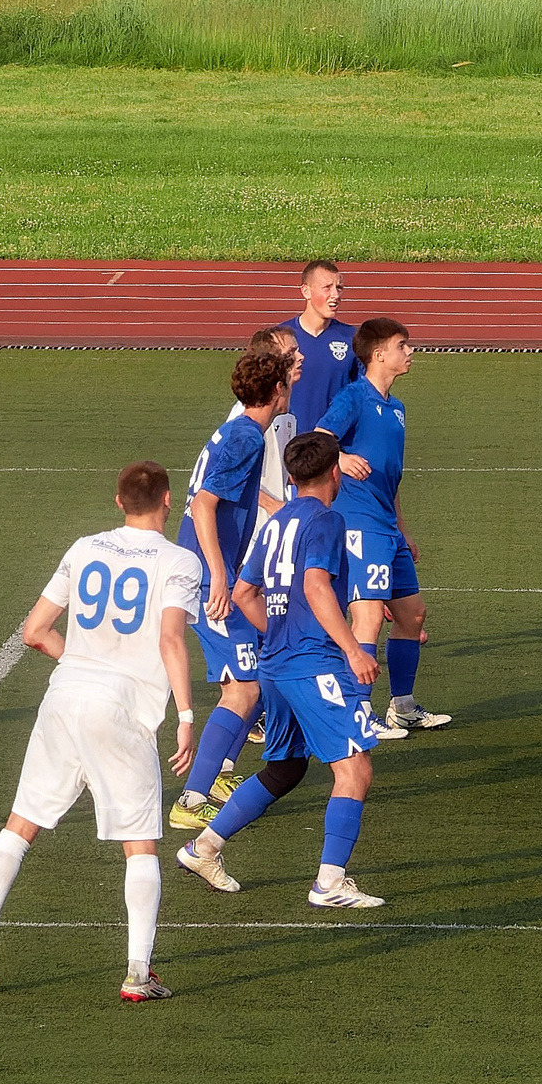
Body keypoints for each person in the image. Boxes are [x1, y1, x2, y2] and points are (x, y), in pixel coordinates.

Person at [0, 460, 203, 1002]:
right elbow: (170, 639)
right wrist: (187, 715)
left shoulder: (85, 548)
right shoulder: (179, 561)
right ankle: (138, 972)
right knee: (140, 843)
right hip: (120, 709)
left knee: (21, 823)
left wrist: (80, 665)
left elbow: (34, 631)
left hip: (64, 696)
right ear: (168, 500)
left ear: (119, 502)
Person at [175, 430, 390, 908]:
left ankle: (202, 848)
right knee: (354, 769)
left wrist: (279, 632)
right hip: (313, 665)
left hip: (274, 664)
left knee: (287, 768)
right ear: (334, 472)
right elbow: (315, 586)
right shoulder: (327, 520)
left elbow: (244, 592)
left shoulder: (274, 524)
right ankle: (329, 884)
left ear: (291, 479)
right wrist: (353, 649)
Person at [168, 350, 291, 830]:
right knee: (245, 687)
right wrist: (219, 576)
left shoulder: (242, 430)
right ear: (276, 389)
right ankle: (192, 800)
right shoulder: (246, 436)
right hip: (206, 577)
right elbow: (204, 504)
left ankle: (217, 774)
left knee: (254, 672)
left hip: (208, 569)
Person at [317, 317, 449, 736]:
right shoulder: (353, 397)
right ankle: (358, 714)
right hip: (358, 523)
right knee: (369, 615)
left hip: (387, 526)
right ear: (378, 355)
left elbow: (391, 476)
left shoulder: (397, 408)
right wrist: (340, 458)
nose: (410, 352)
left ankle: (403, 707)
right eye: (402, 345)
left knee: (413, 614)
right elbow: (318, 439)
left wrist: (403, 528)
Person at [276, 260, 362, 433]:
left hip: (333, 441)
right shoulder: (280, 338)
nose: (335, 295)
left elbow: (362, 393)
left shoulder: (351, 338)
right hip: (287, 439)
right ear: (306, 291)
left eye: (339, 288)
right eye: (327, 288)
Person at [238, 325, 301, 525]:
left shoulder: (285, 413)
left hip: (271, 526)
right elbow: (230, 475)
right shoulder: (247, 417)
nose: (301, 357)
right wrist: (272, 504)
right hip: (250, 527)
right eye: (291, 353)